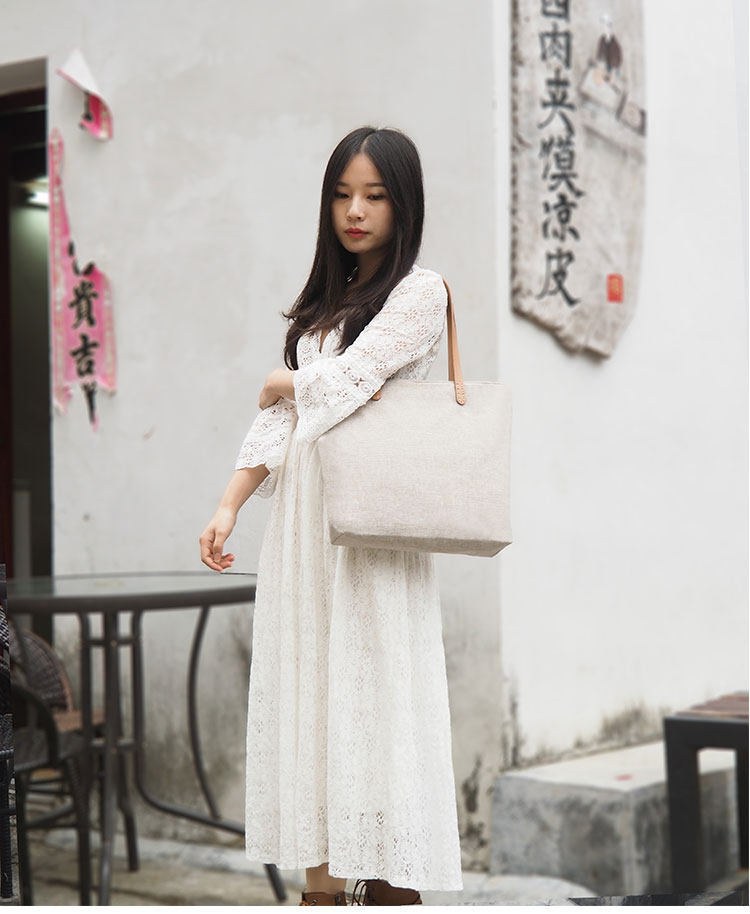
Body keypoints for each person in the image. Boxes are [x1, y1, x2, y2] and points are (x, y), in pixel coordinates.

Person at [199, 126, 463, 906]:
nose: (356, 211)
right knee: (312, 701)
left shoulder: (420, 293)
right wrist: (228, 505)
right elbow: (284, 422)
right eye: (343, 195)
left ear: (403, 204)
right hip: (304, 534)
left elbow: (353, 379)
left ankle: (387, 886)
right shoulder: (324, 302)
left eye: (375, 196)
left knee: (373, 701)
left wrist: (283, 380)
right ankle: (319, 892)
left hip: (372, 533)